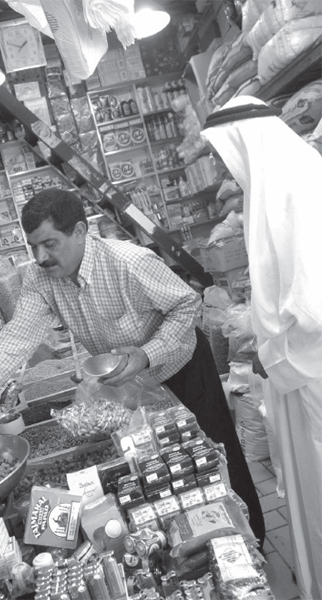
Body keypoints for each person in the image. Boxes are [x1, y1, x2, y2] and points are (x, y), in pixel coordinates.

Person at [0, 188, 264, 545]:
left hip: (182, 369)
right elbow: (18, 333)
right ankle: (196, 539)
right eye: (33, 246)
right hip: (132, 385)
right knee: (166, 465)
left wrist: (145, 354)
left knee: (216, 454)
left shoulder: (129, 261)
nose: (41, 256)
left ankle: (254, 540)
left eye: (49, 243)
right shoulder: (40, 278)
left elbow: (187, 306)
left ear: (80, 231)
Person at [202, 95, 322, 599]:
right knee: (308, 494)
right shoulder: (274, 182)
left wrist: (278, 360)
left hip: (310, 371)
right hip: (293, 370)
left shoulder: (297, 181)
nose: (225, 168)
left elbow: (314, 306)